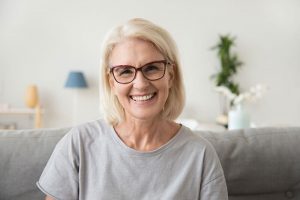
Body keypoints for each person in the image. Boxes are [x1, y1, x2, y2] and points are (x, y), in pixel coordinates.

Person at [37, 18, 228, 200]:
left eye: (151, 68)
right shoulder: (78, 144)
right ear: (111, 82)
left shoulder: (200, 154)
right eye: (125, 71)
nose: (141, 84)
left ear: (170, 75)